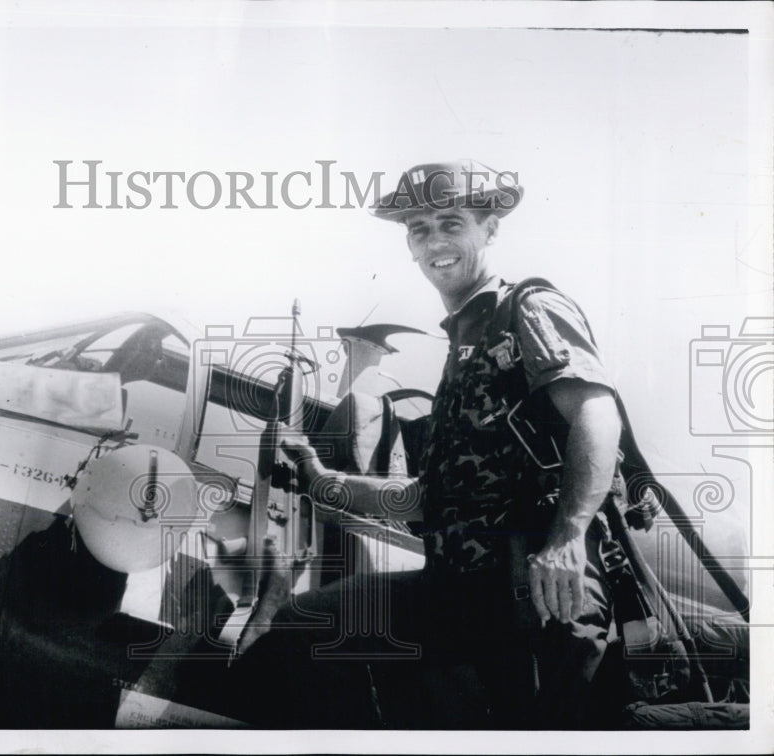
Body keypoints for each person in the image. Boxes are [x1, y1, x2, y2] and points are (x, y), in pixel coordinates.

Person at [229, 160, 624, 729]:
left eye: (451, 223)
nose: (434, 240)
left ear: (490, 229)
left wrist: (567, 537)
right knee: (304, 628)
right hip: (458, 593)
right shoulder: (463, 347)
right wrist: (321, 479)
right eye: (419, 229)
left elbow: (596, 409)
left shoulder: (528, 309)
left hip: (535, 592)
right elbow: (430, 498)